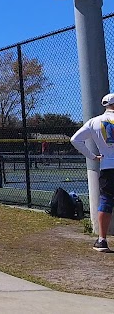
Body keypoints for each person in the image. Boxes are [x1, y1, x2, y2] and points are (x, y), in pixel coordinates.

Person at [70, 93, 114, 252]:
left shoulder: (94, 122)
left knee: (106, 201)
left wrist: (92, 156)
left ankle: (102, 240)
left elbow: (75, 139)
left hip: (107, 165)